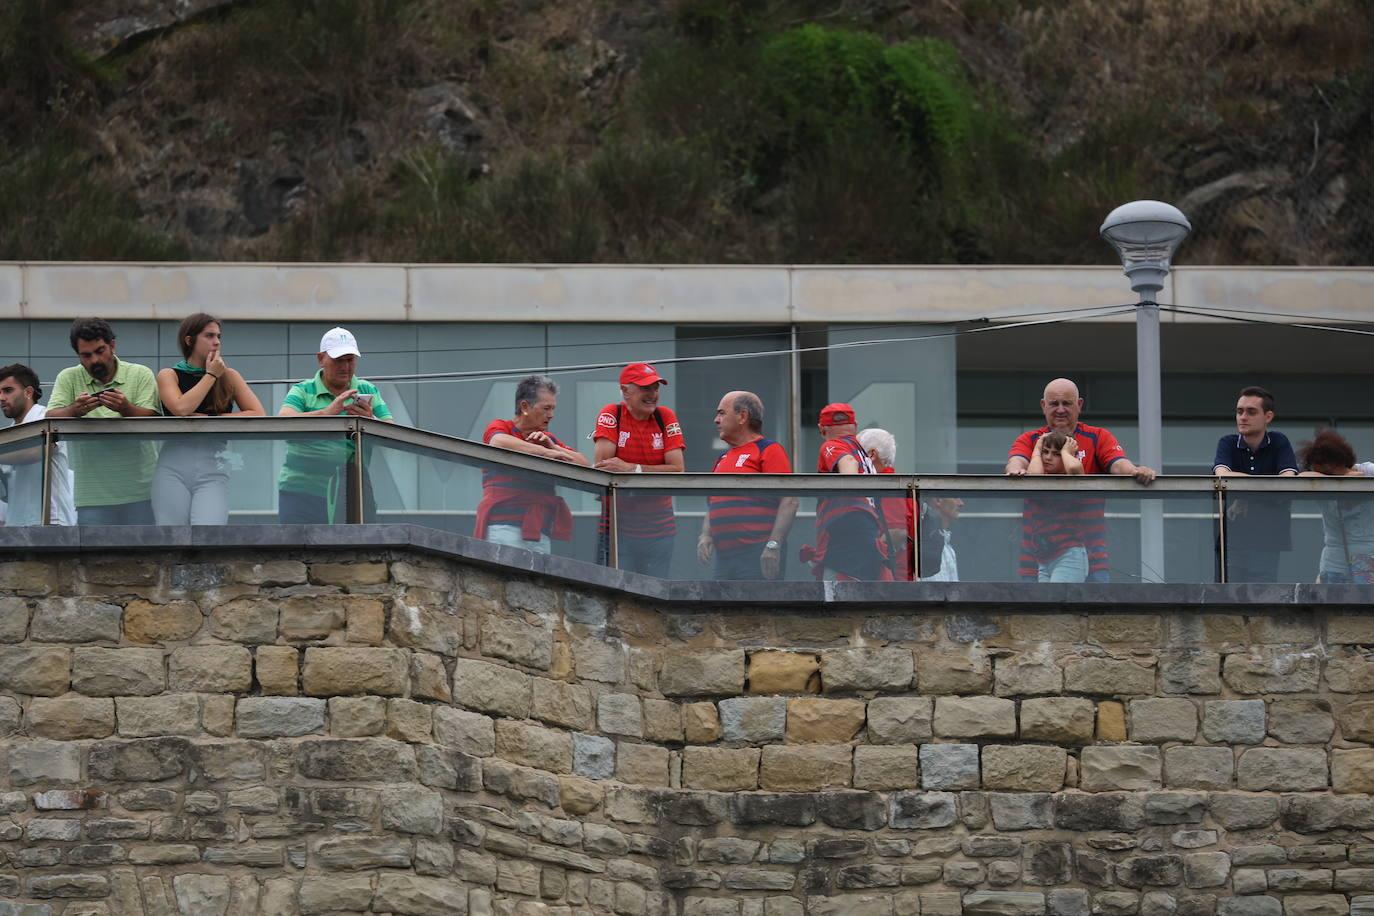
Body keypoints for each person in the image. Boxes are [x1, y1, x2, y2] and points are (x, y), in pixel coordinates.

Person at [1004, 377, 1154, 582]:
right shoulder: (1030, 440)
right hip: (1036, 559)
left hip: (1091, 556)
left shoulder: (1098, 437)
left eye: (1067, 403)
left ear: (1079, 405)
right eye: (1053, 404)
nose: (1060, 410)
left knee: (1095, 614)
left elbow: (1118, 465)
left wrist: (1135, 470)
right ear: (1043, 406)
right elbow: (1016, 463)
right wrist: (1016, 470)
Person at [45, 318, 162, 525]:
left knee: (144, 556)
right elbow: (49, 419)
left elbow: (153, 421)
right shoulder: (68, 377)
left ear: (112, 346)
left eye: (100, 351)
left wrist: (126, 409)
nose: (95, 360)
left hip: (141, 492)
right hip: (92, 495)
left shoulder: (140, 373)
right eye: (86, 355)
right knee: (94, 557)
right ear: (78, 355)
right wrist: (74, 410)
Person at [153, 314, 265, 526]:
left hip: (214, 463)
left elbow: (258, 413)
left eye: (218, 336)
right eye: (209, 336)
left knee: (210, 530)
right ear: (189, 340)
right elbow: (181, 408)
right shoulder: (169, 375)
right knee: (171, 532)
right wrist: (210, 375)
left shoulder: (229, 375)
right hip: (173, 465)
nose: (217, 342)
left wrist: (212, 418)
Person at [277, 327, 393, 524]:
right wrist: (327, 413)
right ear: (321, 358)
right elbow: (283, 424)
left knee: (358, 550)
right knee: (296, 551)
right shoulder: (302, 390)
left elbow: (391, 431)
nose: (345, 367)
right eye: (339, 360)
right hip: (301, 489)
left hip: (352, 489)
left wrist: (371, 420)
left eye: (350, 360)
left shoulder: (367, 389)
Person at [476, 375, 589, 554]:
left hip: (539, 531)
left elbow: (584, 464)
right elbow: (498, 441)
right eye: (546, 408)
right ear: (525, 407)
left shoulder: (547, 439)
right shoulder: (501, 427)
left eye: (553, 408)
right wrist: (547, 453)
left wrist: (552, 446)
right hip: (504, 527)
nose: (551, 415)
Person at [591, 362, 685, 575]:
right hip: (616, 530)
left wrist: (633, 469)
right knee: (613, 596)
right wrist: (645, 470)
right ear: (625, 390)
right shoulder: (612, 414)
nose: (652, 394)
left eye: (656, 388)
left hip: (659, 532)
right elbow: (604, 468)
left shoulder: (665, 416)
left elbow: (678, 470)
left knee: (655, 598)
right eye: (645, 388)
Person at [697, 391, 797, 580]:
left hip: (757, 553)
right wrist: (705, 535)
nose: (716, 420)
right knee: (722, 608)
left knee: (757, 608)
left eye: (721, 413)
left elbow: (789, 500)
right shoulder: (723, 457)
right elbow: (713, 503)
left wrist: (773, 545)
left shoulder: (768, 450)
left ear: (742, 416)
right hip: (724, 557)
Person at [1212, 386, 1298, 582]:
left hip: (1268, 537)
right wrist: (1256, 492)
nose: (1243, 417)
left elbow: (1288, 482)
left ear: (1268, 417)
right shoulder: (1228, 442)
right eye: (1239, 411)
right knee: (1227, 597)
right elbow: (1222, 476)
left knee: (1262, 597)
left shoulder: (1278, 442)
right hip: (1232, 538)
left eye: (1251, 412)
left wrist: (1243, 494)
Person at [804, 403, 887, 581]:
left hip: (846, 529)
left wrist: (849, 483)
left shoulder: (832, 445)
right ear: (855, 426)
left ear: (821, 429)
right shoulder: (863, 454)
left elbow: (848, 462)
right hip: (867, 529)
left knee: (835, 595)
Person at [0, 364, 76, 526]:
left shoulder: (46, 419)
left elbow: (34, 452)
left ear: (28, 392)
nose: (1, 397)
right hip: (17, 525)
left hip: (51, 523)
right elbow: (7, 492)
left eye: (7, 390)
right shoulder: (8, 434)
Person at [1298, 430, 1374, 584]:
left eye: (1330, 471)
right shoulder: (1320, 480)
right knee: (1331, 604)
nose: (1327, 476)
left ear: (1341, 461)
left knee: (1366, 603)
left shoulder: (1366, 471)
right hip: (1334, 558)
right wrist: (1339, 479)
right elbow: (1302, 478)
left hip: (1367, 555)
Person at [1024, 429, 1092, 582]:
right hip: (1044, 558)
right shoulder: (1041, 478)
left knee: (1057, 604)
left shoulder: (1072, 476)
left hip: (1068, 554)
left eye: (1056, 454)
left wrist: (1067, 453)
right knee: (1046, 605)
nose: (1048, 458)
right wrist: (1036, 449)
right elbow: (1034, 480)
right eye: (1045, 452)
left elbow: (1075, 470)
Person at [858, 427, 913, 580]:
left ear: (871, 455)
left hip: (890, 579)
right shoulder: (889, 484)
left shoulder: (888, 485)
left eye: (858, 454)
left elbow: (897, 531)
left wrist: (866, 554)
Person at [918, 496, 963, 581]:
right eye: (956, 497)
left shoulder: (948, 549)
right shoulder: (920, 544)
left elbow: (953, 591)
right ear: (938, 500)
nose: (961, 503)